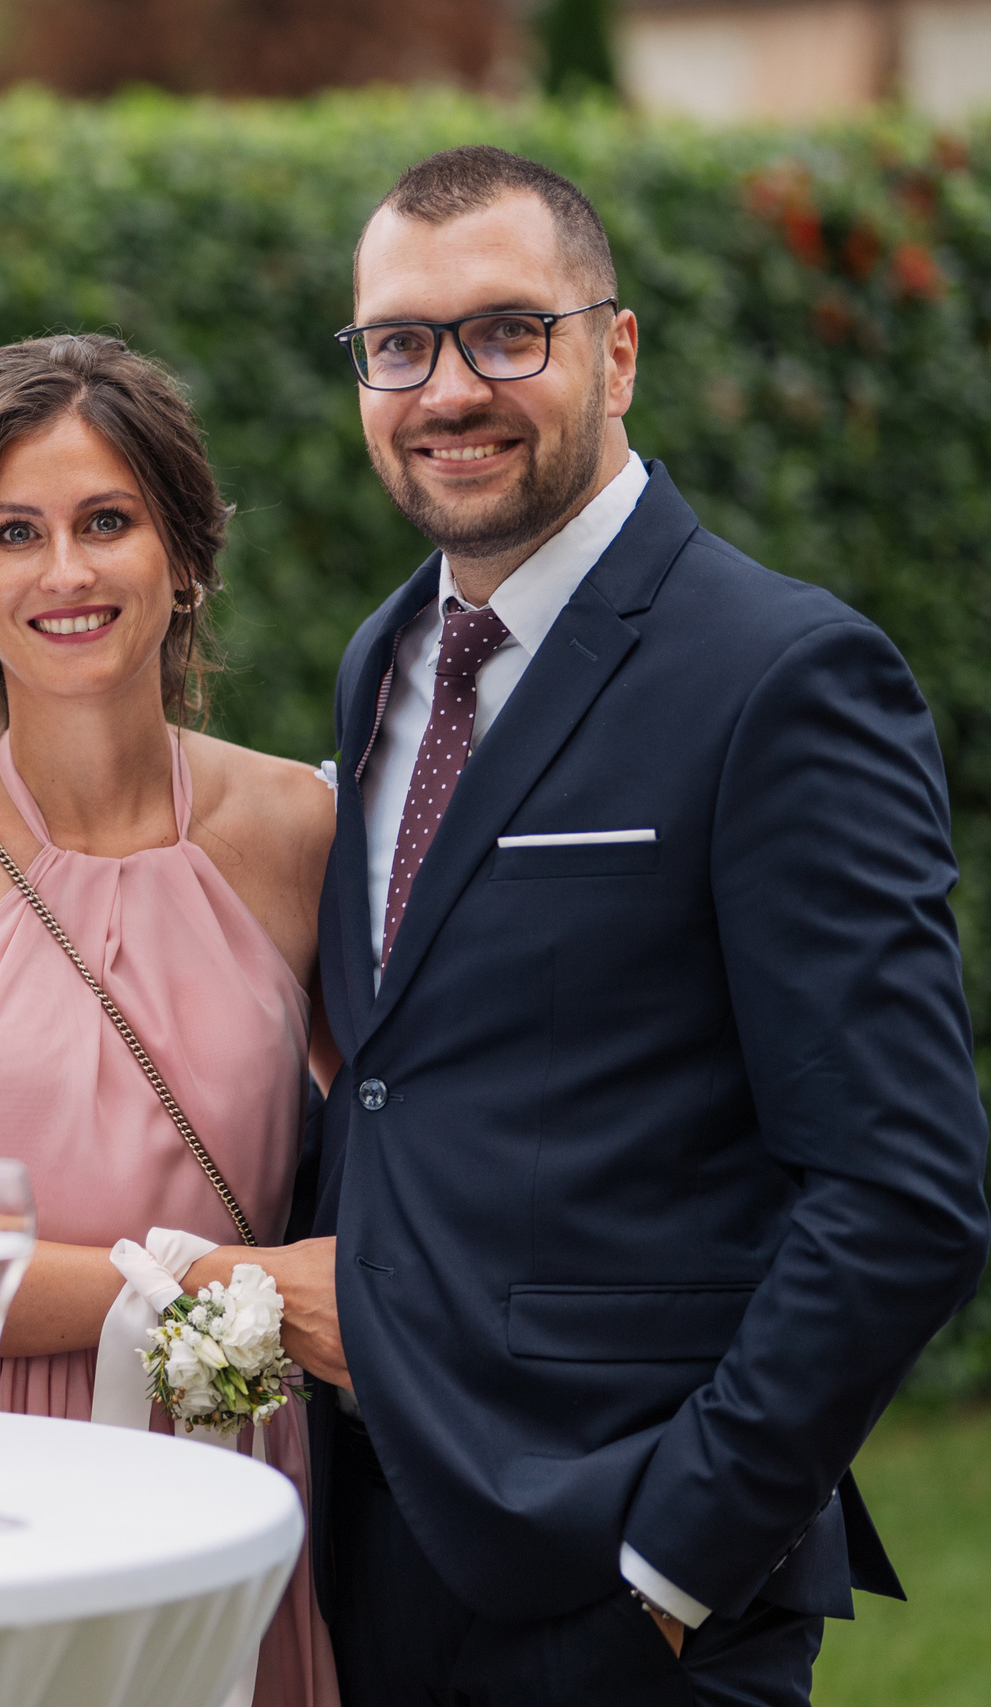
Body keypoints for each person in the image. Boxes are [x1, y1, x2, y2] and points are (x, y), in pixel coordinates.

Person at [250, 145, 991, 1706]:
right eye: (399, 344)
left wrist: (673, 1566)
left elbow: (902, 1191)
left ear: (619, 349)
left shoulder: (785, 678)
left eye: (507, 330)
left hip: (627, 1589)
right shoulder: (384, 660)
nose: (448, 386)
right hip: (378, 1543)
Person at [0, 332, 340, 1707]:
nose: (68, 571)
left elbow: (402, 1141)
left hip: (217, 1462)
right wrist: (240, 1286)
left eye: (108, 521)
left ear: (186, 554)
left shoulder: (301, 826)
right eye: (16, 534)